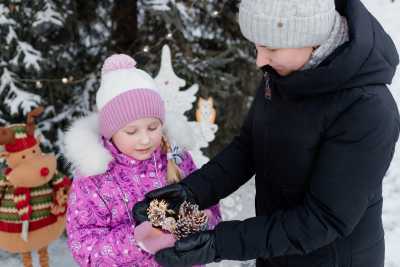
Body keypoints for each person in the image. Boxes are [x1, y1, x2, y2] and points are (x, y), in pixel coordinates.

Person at [132, 0, 400, 266]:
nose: (260, 60)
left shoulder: (367, 109)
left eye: (271, 48)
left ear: (310, 38)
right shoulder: (284, 72)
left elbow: (323, 219)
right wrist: (191, 193)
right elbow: (249, 147)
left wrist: (217, 243)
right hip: (274, 249)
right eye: (258, 46)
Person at [63, 54, 221, 267]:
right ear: (110, 132)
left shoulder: (176, 157)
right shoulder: (93, 179)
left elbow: (209, 203)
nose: (145, 139)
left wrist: (202, 221)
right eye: (131, 131)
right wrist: (138, 240)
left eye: (153, 127)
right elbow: (85, 249)